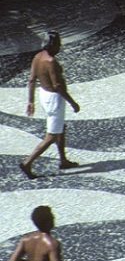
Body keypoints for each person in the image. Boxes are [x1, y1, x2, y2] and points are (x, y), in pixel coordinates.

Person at [19, 33, 80, 179]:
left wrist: (31, 101)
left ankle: (63, 160)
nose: (60, 46)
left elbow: (32, 80)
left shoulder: (38, 57)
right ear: (52, 45)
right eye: (58, 44)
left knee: (60, 128)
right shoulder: (51, 61)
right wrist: (73, 103)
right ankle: (28, 163)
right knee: (52, 135)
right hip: (55, 99)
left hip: (44, 95)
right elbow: (58, 86)